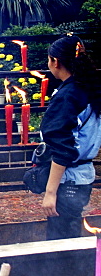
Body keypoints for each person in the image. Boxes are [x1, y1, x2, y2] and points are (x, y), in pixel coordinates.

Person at [40, 34, 101, 239]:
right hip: (83, 177)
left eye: (49, 59)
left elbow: (64, 148)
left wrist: (50, 192)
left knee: (61, 240)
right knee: (70, 231)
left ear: (55, 62)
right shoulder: (89, 88)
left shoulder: (68, 95)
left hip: (69, 180)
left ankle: (66, 271)